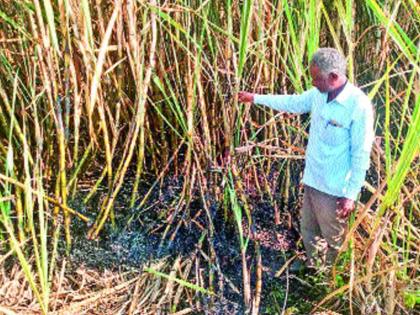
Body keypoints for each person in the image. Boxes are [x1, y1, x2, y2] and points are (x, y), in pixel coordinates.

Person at [238, 47, 374, 270]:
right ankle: (315, 267)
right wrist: (254, 98)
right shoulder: (318, 95)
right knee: (309, 230)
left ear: (333, 77)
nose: (312, 83)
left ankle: (333, 281)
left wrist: (350, 195)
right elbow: (292, 103)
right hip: (313, 179)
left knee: (335, 238)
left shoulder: (358, 106)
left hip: (334, 189)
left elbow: (361, 154)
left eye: (316, 78)